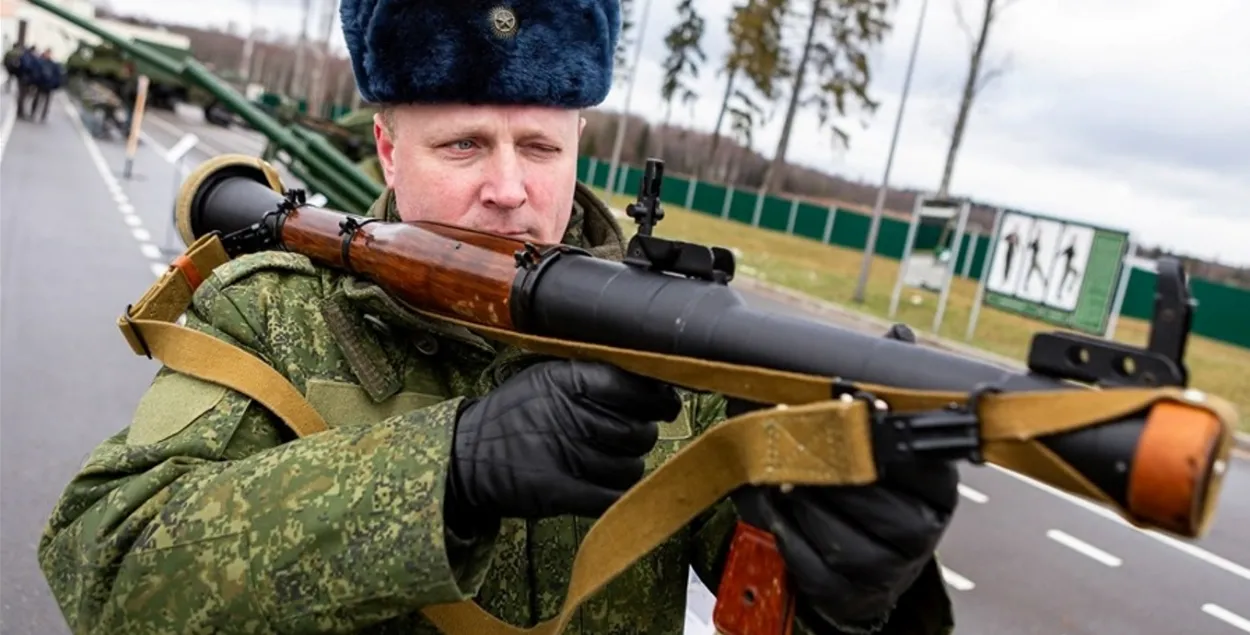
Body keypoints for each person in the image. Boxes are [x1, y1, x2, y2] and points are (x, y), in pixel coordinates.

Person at [37, 1, 959, 633]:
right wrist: (450, 469)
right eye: (465, 143)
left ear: (582, 144)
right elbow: (107, 567)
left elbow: (769, 593)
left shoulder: (674, 349)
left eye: (540, 145)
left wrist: (864, 582)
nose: (509, 190)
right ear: (388, 148)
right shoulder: (276, 313)